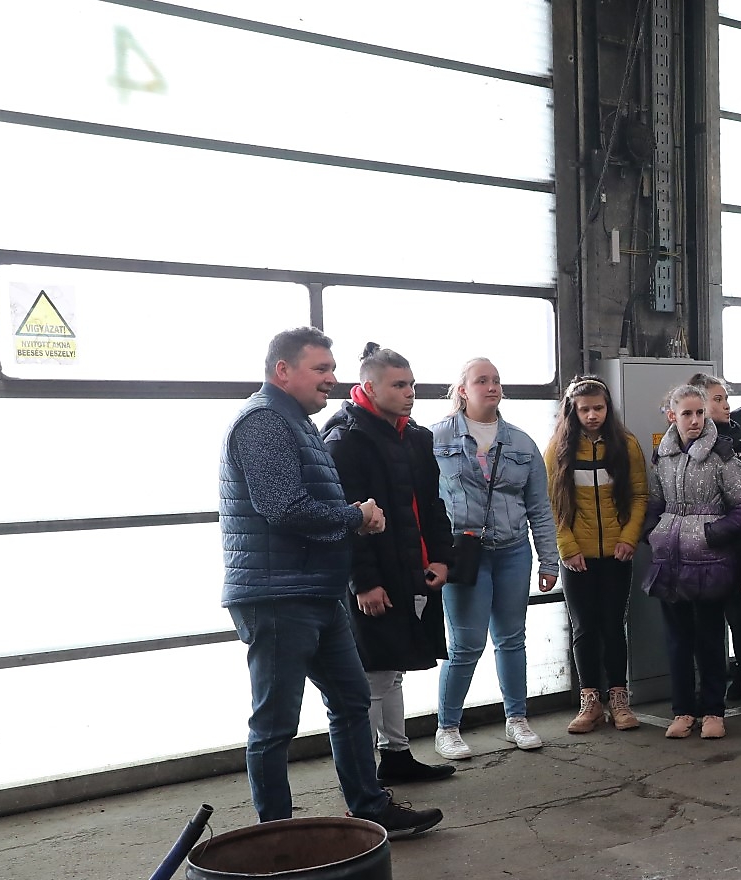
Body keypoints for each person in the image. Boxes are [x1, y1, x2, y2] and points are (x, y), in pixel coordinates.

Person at [220, 328, 441, 837]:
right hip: (277, 596)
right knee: (275, 724)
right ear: (283, 371)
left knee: (351, 701)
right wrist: (355, 517)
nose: (331, 379)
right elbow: (283, 507)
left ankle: (370, 807)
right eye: (320, 369)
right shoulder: (264, 422)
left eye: (332, 369)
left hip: (316, 591)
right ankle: (274, 835)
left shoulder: (296, 423)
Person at [321, 343, 456, 787]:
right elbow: (342, 517)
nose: (410, 393)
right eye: (399, 385)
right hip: (375, 578)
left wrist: (440, 557)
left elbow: (432, 505)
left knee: (392, 669)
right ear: (369, 387)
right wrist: (364, 581)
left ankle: (396, 756)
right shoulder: (345, 440)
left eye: (412, 384)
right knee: (373, 675)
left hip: (411, 571)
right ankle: (366, 776)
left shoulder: (416, 437)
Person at [430, 358, 560, 759]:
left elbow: (539, 507)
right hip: (463, 553)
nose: (492, 387)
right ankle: (447, 727)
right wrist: (428, 554)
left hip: (512, 550)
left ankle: (516, 718)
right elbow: (422, 502)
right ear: (463, 390)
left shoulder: (521, 442)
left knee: (511, 638)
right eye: (481, 380)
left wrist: (549, 560)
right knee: (466, 644)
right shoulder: (435, 439)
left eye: (496, 381)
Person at [643, 383, 741, 739]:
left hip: (711, 561)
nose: (695, 420)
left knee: (709, 637)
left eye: (700, 413)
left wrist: (711, 534)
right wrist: (653, 532)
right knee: (677, 639)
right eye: (687, 414)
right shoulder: (662, 456)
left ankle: (712, 711)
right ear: (671, 416)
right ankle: (682, 710)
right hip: (670, 558)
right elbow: (655, 501)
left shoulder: (723, 455)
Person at [546, 376, 647, 734]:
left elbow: (639, 496)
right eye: (585, 409)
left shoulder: (626, 445)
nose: (592, 415)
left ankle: (619, 699)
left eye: (599, 408)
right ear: (573, 411)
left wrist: (629, 538)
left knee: (613, 625)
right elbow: (551, 504)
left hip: (617, 555)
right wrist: (567, 547)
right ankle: (590, 702)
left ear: (608, 408)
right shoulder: (559, 447)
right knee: (585, 628)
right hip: (578, 558)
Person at [691, 373, 741, 716]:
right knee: (704, 625)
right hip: (700, 547)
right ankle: (708, 689)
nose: (726, 405)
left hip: (738, 547)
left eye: (726, 398)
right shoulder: (685, 444)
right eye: (718, 399)